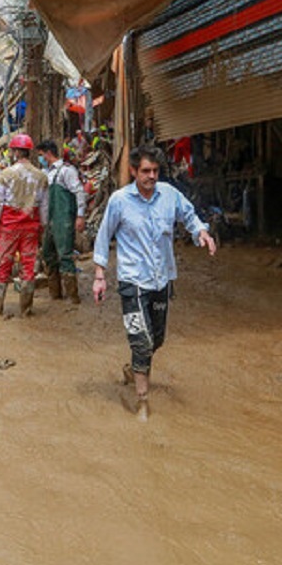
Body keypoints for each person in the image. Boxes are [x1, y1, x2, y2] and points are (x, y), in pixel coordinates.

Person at [92, 144, 216, 421]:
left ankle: (132, 368)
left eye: (155, 171)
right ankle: (142, 401)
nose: (151, 176)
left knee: (156, 339)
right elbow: (103, 237)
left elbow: (189, 215)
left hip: (161, 279)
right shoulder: (119, 201)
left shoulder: (169, 195)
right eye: (145, 171)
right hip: (132, 281)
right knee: (141, 341)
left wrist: (202, 233)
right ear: (134, 171)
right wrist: (99, 276)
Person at [0, 134, 48, 317]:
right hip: (31, 226)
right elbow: (44, 206)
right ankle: (26, 309)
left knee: (3, 265)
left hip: (8, 227)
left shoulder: (6, 175)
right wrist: (42, 226)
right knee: (28, 267)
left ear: (14, 152)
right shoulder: (41, 176)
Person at [38, 139, 87, 304]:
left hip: (63, 220)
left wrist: (80, 216)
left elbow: (79, 192)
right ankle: (55, 295)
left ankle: (73, 297)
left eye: (41, 155)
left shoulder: (67, 171)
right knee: (48, 255)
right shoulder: (46, 173)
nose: (41, 158)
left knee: (65, 256)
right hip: (49, 221)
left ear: (48, 153)